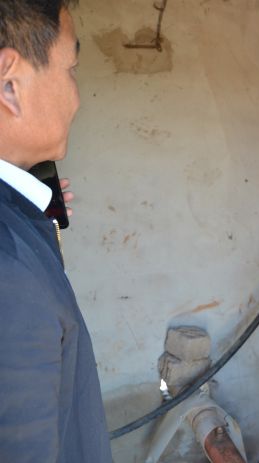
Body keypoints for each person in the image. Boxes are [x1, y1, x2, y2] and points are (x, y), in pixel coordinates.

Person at [0, 1, 113, 461]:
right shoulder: (9, 269)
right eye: (71, 70)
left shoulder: (19, 220)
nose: (77, 97)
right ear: (9, 85)